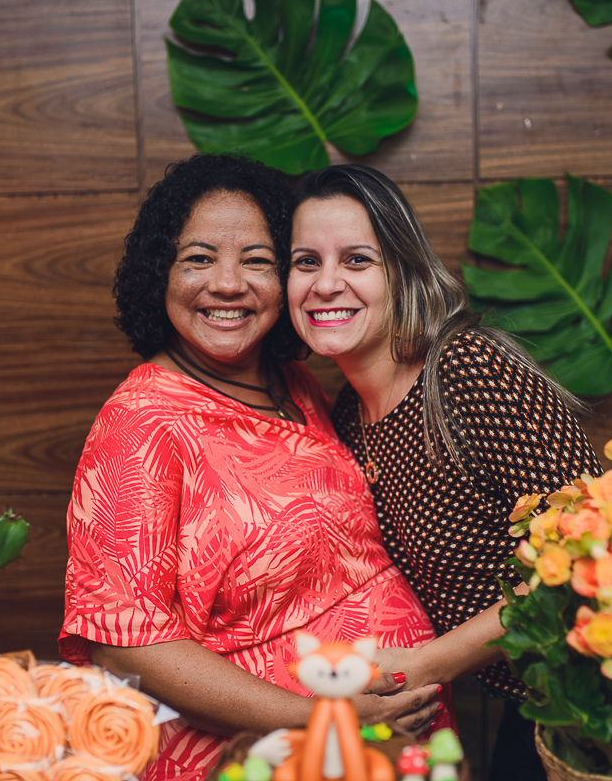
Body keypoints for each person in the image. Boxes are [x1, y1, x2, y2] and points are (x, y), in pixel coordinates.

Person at [59, 154, 449, 781]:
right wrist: (316, 716)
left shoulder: (294, 381)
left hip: (385, 736)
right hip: (261, 753)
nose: (229, 284)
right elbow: (123, 640)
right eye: (199, 258)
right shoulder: (139, 423)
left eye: (259, 261)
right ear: (158, 273)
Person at [287, 164, 603, 781]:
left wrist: (423, 665)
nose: (326, 284)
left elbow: (591, 554)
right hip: (529, 697)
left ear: (401, 271)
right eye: (305, 262)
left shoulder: (466, 369)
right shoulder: (348, 414)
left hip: (602, 688)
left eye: (356, 260)